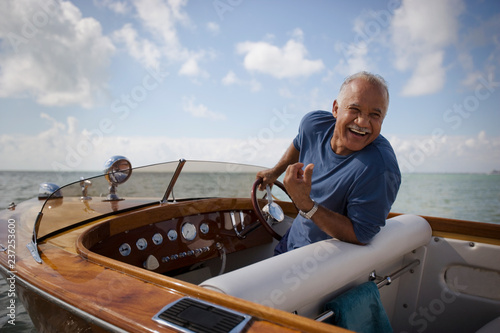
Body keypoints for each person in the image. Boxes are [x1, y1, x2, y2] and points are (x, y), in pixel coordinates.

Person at [256, 71, 401, 254]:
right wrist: (275, 172)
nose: (363, 122)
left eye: (374, 115)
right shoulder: (313, 124)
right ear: (335, 108)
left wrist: (305, 204)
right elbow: (300, 142)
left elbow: (361, 235)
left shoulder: (380, 168)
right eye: (354, 109)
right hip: (292, 240)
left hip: (322, 264)